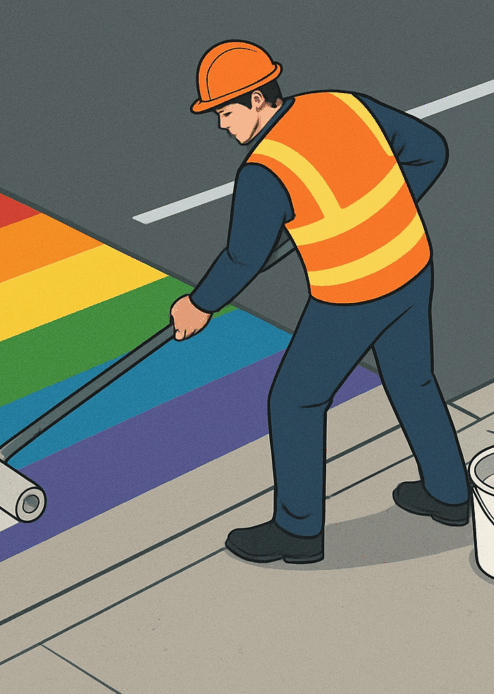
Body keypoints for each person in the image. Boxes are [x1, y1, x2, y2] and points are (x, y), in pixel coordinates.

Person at [170, 40, 471, 565]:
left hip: (353, 293)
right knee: (412, 378)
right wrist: (390, 209)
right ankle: (449, 494)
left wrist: (199, 306)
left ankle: (298, 532)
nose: (222, 125)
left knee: (295, 402)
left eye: (225, 111)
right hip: (410, 264)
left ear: (258, 100)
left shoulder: (265, 170)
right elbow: (431, 151)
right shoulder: (342, 104)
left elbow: (243, 258)